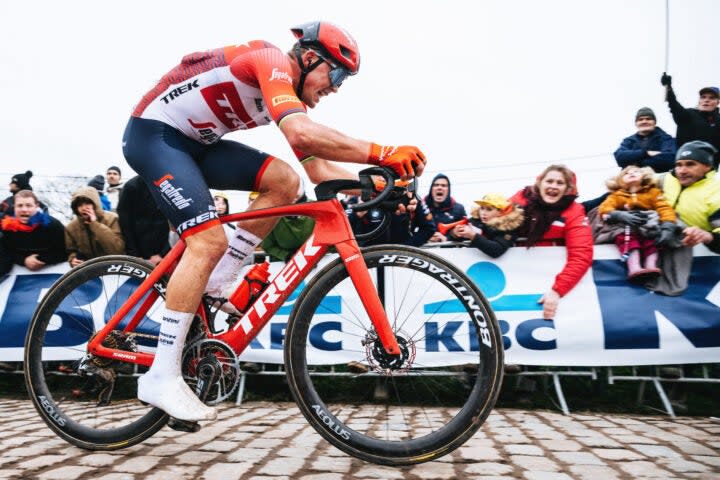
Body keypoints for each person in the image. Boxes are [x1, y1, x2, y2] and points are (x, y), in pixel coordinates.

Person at [121, 21, 426, 422]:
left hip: (195, 145)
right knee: (207, 242)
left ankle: (215, 282)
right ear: (310, 57)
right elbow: (303, 136)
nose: (335, 87)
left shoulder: (278, 95)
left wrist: (381, 187)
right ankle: (160, 376)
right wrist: (383, 152)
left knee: (285, 181)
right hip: (154, 136)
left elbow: (318, 172)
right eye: (336, 75)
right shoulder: (270, 63)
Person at [510, 165, 593, 320]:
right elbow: (492, 223)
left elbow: (581, 255)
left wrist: (557, 291)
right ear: (540, 183)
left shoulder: (574, 211)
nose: (553, 186)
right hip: (512, 275)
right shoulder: (519, 200)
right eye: (549, 181)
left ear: (568, 189)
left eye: (560, 183)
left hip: (549, 280)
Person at [583, 107, 677, 213]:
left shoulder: (665, 138)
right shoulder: (629, 140)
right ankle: (573, 209)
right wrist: (646, 153)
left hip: (653, 185)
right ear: (636, 123)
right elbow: (619, 157)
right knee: (598, 203)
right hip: (628, 185)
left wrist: (635, 162)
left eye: (648, 119)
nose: (644, 121)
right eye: (640, 119)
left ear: (654, 122)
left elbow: (669, 159)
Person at [597, 166, 677, 281]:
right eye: (626, 173)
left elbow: (664, 208)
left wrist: (668, 224)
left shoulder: (653, 192)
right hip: (627, 226)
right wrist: (618, 214)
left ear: (644, 176)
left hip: (647, 223)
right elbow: (604, 208)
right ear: (620, 180)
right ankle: (634, 267)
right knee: (628, 240)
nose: (631, 173)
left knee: (652, 241)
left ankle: (651, 266)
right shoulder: (617, 195)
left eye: (636, 171)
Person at [660, 141, 720, 253]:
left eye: (690, 164)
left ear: (707, 166)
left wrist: (708, 236)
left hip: (696, 256)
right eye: (679, 165)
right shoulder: (667, 178)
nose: (682, 171)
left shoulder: (716, 193)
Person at [0, 190, 66, 274]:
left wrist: (40, 259)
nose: (24, 209)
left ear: (36, 206)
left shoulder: (53, 225)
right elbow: (6, 254)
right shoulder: (6, 228)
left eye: (28, 205)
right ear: (14, 207)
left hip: (53, 271)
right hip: (19, 275)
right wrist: (24, 260)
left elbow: (66, 251)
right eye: (20, 206)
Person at [661, 74, 720, 166]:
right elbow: (673, 104)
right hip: (685, 165)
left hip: (710, 170)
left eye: (711, 98)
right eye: (703, 97)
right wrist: (668, 87)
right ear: (699, 100)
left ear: (717, 102)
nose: (706, 100)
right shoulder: (687, 115)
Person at [346, 190, 435, 247]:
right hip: (369, 259)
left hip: (400, 261)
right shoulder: (359, 198)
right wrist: (357, 214)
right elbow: (341, 230)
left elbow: (428, 228)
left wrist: (406, 248)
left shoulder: (410, 197)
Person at [116, 176, 171, 266]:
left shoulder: (168, 184)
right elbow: (125, 225)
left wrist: (163, 254)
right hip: (139, 255)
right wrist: (135, 255)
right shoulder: (130, 187)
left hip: (165, 254)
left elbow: (176, 223)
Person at [65, 185, 125, 267]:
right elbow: (71, 251)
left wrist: (95, 224)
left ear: (95, 203)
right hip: (90, 270)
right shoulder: (71, 227)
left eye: (87, 203)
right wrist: (72, 259)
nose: (84, 208)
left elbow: (117, 250)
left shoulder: (112, 218)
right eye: (79, 205)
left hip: (115, 266)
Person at [450, 193, 524, 258]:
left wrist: (473, 236)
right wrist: (455, 233)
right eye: (482, 208)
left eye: (489, 209)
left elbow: (496, 250)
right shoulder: (475, 220)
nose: (483, 213)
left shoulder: (509, 226)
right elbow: (452, 237)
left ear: (500, 212)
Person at [424, 174, 466, 242]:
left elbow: (466, 236)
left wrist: (446, 239)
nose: (439, 188)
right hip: (422, 251)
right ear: (431, 189)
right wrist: (425, 237)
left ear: (448, 190)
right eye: (436, 185)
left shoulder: (459, 209)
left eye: (444, 185)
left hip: (449, 251)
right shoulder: (420, 207)